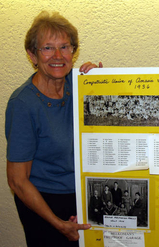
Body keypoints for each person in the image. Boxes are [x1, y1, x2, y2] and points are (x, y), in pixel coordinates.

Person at [5, 11, 101, 247]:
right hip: (45, 205)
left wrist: (101, 82)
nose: (57, 56)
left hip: (84, 196)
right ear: (32, 55)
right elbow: (17, 181)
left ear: (73, 52)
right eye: (47, 48)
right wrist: (58, 223)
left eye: (65, 47)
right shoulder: (23, 104)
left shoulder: (79, 86)